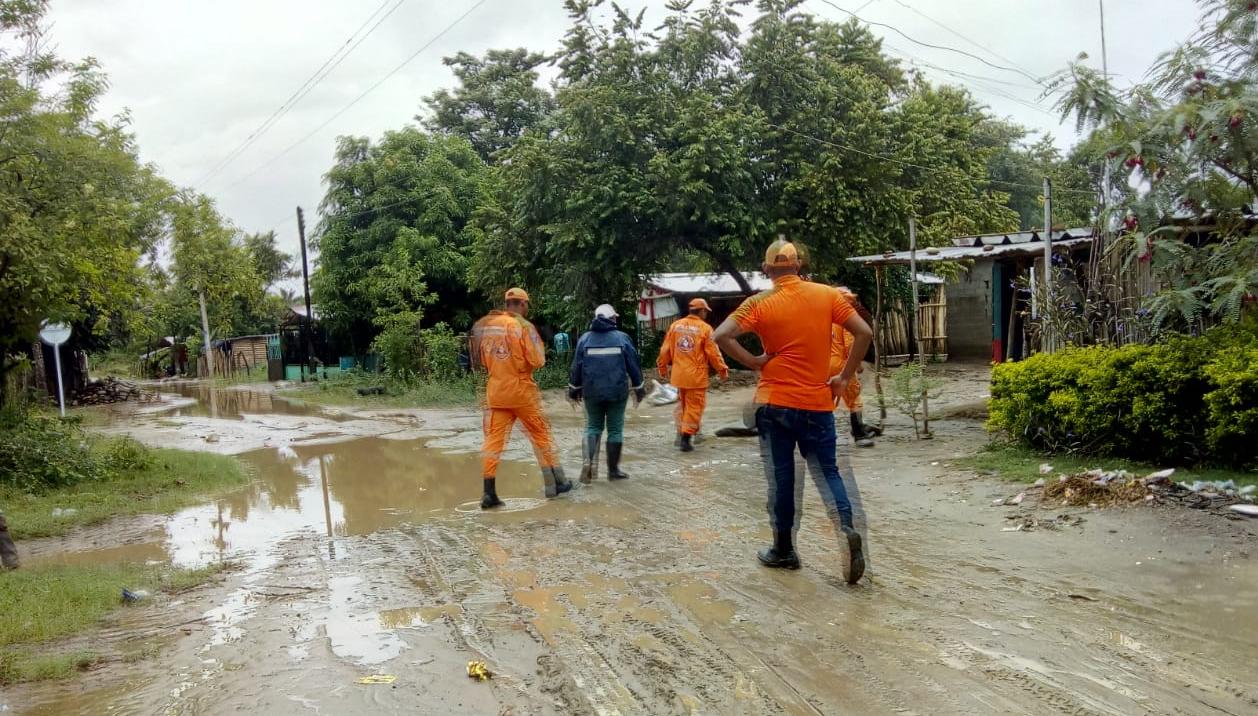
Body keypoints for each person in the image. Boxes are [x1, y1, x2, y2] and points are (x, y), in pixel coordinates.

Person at [714, 238, 873, 584]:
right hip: (818, 404)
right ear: (798, 266)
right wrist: (844, 378)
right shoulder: (828, 295)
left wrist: (755, 362)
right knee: (829, 471)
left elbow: (721, 335)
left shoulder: (759, 302)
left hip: (775, 404)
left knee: (783, 477)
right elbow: (864, 332)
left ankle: (784, 549)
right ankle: (846, 528)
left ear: (767, 269)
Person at [470, 287, 572, 509]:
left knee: (493, 442)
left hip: (496, 392)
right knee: (541, 434)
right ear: (523, 304)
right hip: (521, 391)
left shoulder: (489, 327)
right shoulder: (523, 326)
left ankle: (489, 493)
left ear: (507, 304)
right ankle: (556, 484)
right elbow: (538, 361)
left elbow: (484, 361)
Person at [567, 304, 647, 482]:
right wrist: (639, 387)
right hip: (617, 392)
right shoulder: (622, 338)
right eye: (615, 318)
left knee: (593, 427)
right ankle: (613, 471)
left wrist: (574, 389)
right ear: (612, 319)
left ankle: (588, 463)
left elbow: (576, 366)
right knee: (615, 430)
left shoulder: (585, 339)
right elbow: (633, 365)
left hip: (592, 392)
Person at [657, 297, 729, 452]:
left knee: (683, 406)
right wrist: (722, 369)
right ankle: (686, 438)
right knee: (695, 407)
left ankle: (683, 434)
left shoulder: (675, 326)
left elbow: (665, 350)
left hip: (679, 375)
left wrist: (662, 367)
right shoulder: (705, 328)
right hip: (696, 377)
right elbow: (713, 353)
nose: (706, 314)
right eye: (706, 311)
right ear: (702, 311)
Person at [831, 287, 880, 448]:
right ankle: (859, 434)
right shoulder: (845, 320)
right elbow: (851, 345)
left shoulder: (823, 318)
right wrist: (857, 365)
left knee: (823, 401)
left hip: (821, 366)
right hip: (841, 365)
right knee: (854, 400)